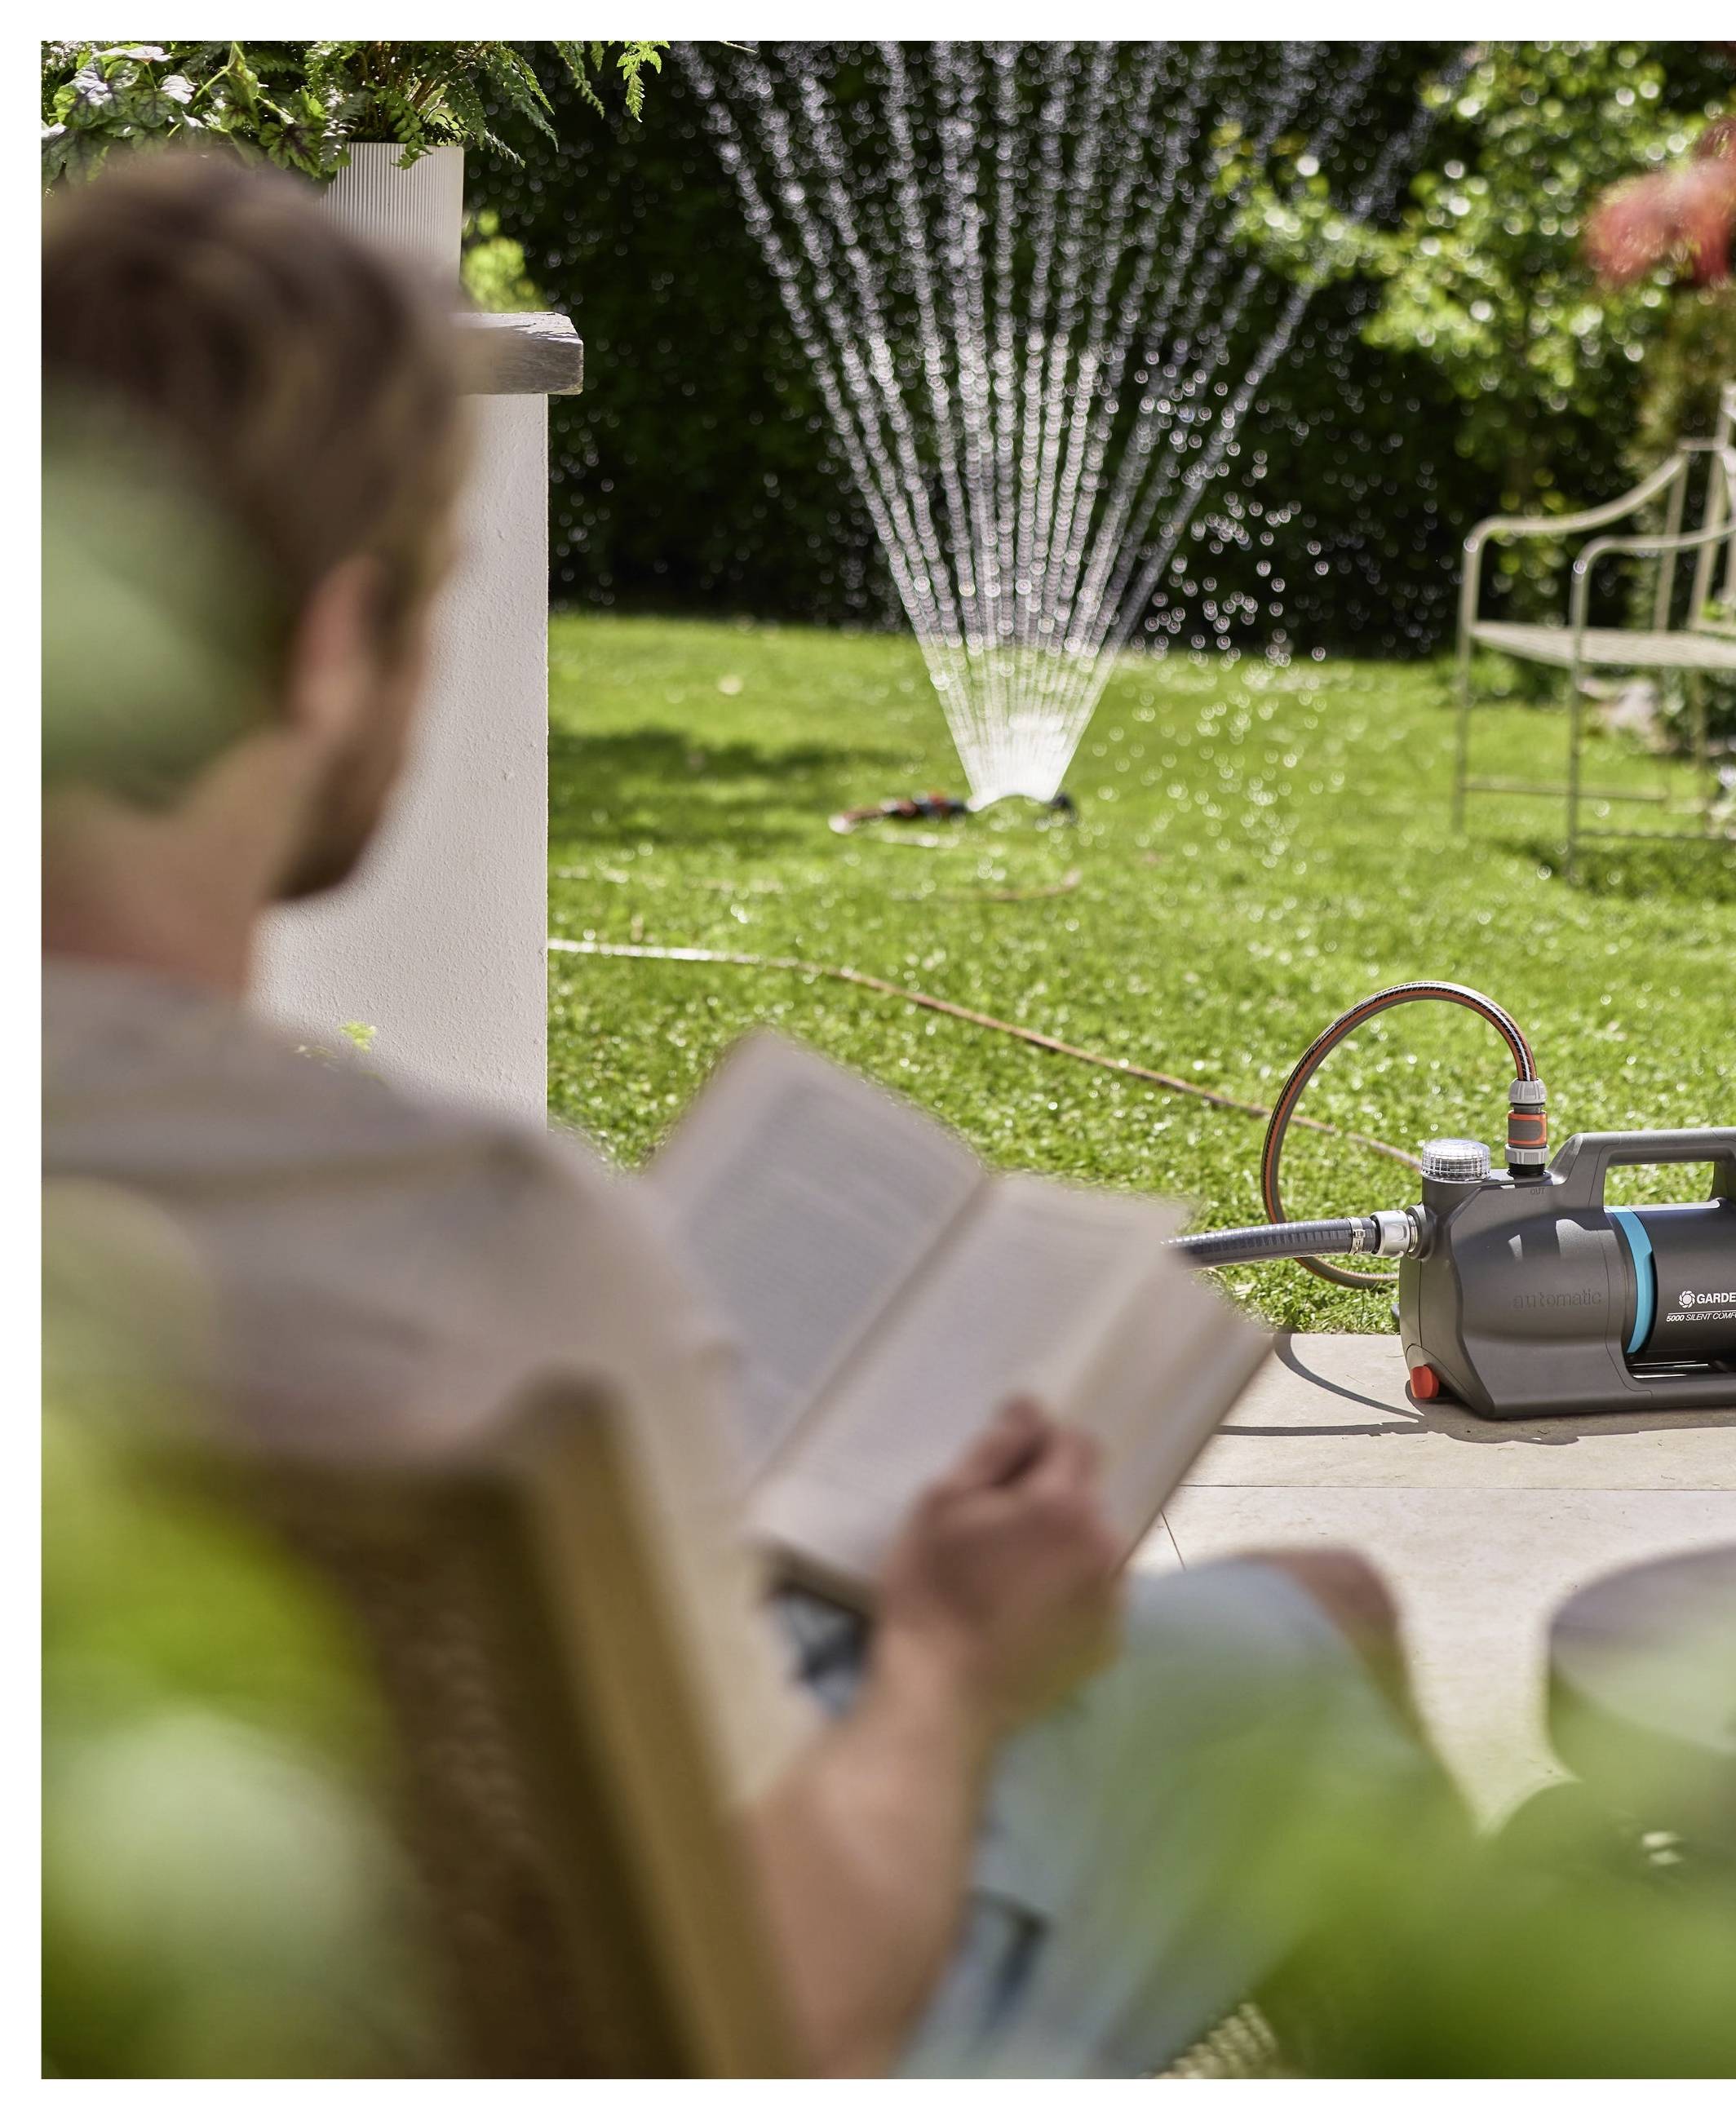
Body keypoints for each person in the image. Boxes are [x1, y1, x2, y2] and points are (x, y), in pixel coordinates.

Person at [42, 153, 1446, 2078]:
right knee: (1310, 1649)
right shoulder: (480, 1254)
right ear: (326, 643)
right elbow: (781, 2014)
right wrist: (951, 1664)